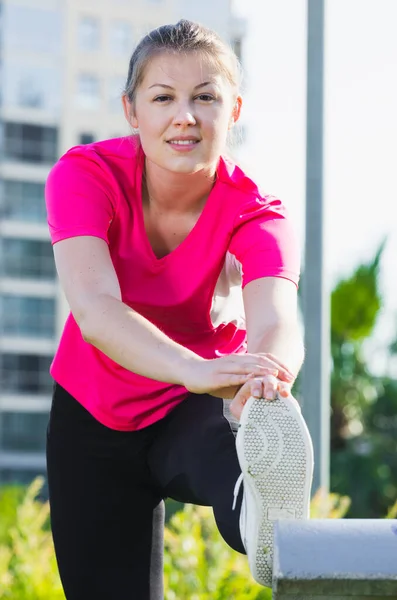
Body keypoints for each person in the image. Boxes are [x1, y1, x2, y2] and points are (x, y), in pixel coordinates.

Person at [45, 19, 313, 599]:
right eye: (163, 97)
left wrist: (268, 374)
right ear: (131, 110)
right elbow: (94, 309)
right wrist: (193, 367)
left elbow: (276, 317)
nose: (184, 115)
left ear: (234, 109)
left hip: (195, 406)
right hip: (93, 414)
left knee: (236, 450)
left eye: (206, 98)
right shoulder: (85, 175)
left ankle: (256, 506)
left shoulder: (258, 213)